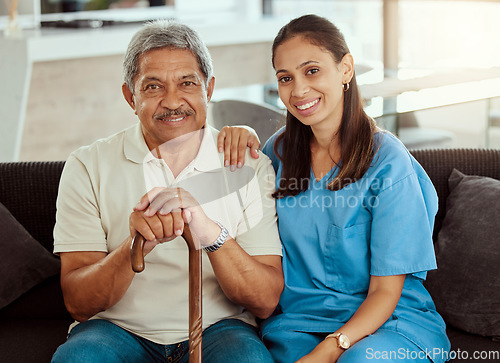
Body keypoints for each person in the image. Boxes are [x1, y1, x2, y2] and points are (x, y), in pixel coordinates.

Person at [218, 14, 451, 363]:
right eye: (286, 78)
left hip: (388, 323)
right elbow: (224, 204)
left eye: (312, 71)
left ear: (345, 70)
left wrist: (331, 349)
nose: (298, 90)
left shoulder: (388, 162)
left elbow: (386, 291)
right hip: (298, 325)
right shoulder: (276, 154)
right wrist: (241, 136)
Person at [51, 20, 283, 363]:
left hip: (220, 328)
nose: (172, 101)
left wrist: (211, 234)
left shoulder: (249, 165)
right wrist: (134, 248)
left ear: (209, 88)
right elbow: (78, 303)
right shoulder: (87, 165)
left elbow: (265, 299)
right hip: (114, 331)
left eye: (187, 83)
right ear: (131, 97)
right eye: (153, 87)